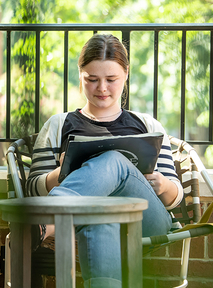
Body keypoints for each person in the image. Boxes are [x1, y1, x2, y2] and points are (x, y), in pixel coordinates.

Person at [26, 34, 184, 288]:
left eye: (111, 80)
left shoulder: (147, 125)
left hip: (146, 220)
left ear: (126, 75)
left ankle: (47, 220)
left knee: (115, 160)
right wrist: (59, 174)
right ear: (80, 75)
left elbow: (175, 199)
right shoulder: (59, 124)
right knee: (102, 217)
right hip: (85, 219)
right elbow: (32, 187)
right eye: (92, 79)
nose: (102, 88)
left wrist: (162, 185)